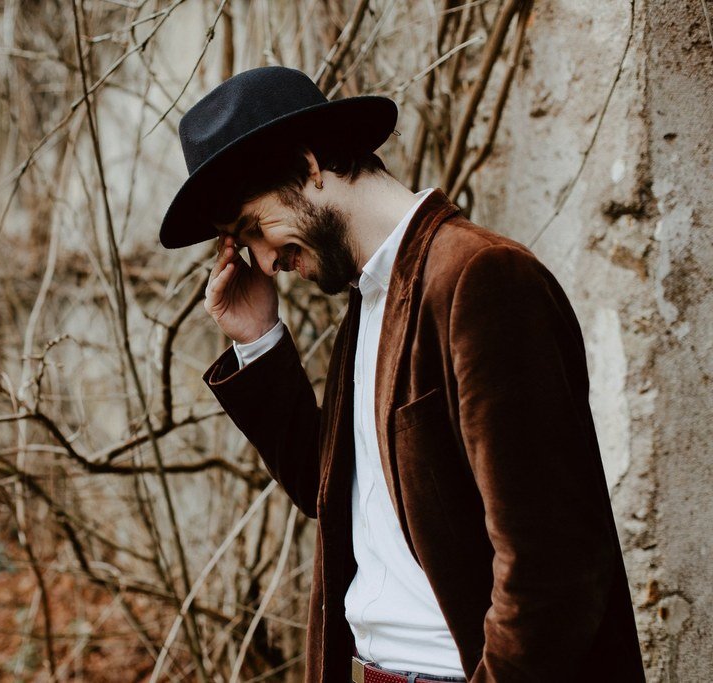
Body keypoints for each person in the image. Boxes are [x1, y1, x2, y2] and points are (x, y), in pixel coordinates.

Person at [158, 66, 645, 682]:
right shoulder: (370, 304)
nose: (264, 262)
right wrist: (257, 340)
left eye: (255, 227)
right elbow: (332, 493)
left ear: (311, 167)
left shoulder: (480, 278)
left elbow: (553, 567)